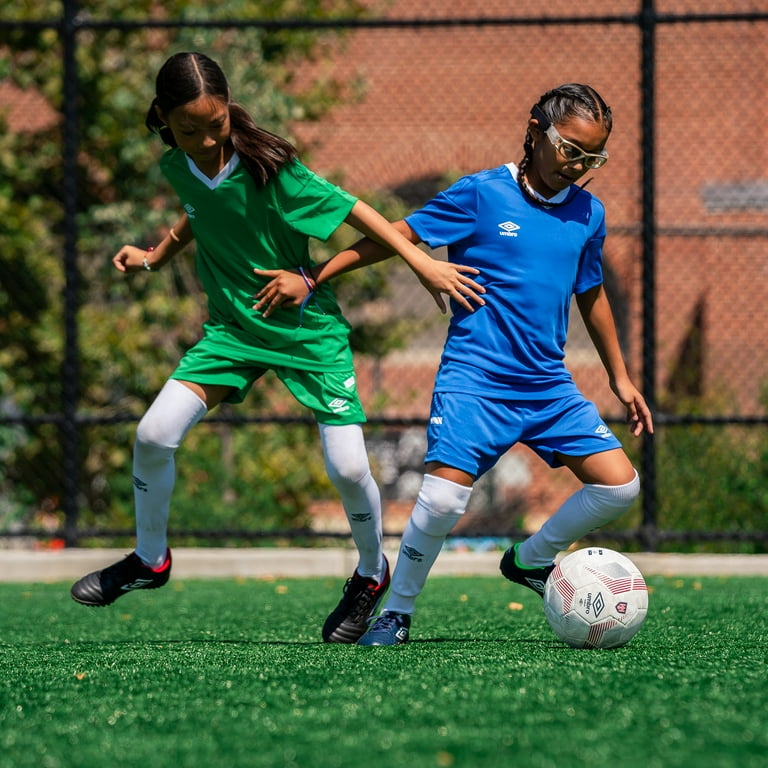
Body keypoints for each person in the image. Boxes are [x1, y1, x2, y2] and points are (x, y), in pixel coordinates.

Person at [69, 51, 484, 645]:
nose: (208, 141)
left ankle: (371, 572)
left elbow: (360, 213)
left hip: (306, 330)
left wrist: (422, 266)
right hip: (233, 332)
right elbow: (200, 210)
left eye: (218, 126)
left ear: (230, 109)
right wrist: (157, 255)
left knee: (346, 467)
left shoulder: (273, 169)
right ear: (164, 118)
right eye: (190, 130)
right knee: (153, 435)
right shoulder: (178, 164)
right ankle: (150, 559)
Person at [254, 82, 653, 646]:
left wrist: (620, 376)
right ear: (537, 131)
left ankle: (531, 559)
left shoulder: (589, 213)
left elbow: (592, 292)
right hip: (476, 380)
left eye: (593, 158)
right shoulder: (481, 194)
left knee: (620, 488)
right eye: (571, 150)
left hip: (546, 387)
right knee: (441, 499)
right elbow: (395, 238)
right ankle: (397, 611)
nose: (578, 166)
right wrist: (313, 276)